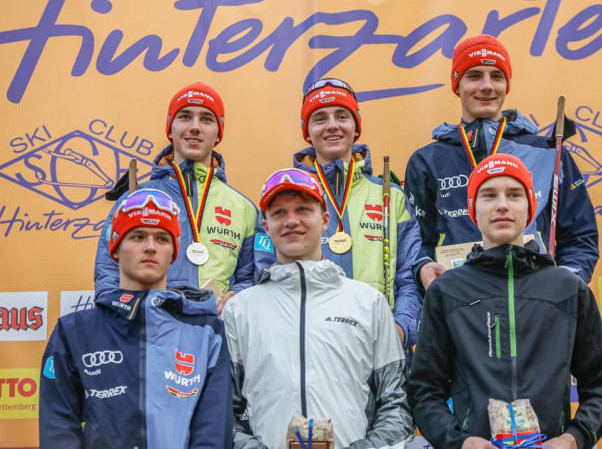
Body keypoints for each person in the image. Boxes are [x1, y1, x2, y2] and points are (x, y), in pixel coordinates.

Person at [408, 154, 602, 449]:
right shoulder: (447, 291)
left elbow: (601, 385)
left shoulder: (568, 288)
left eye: (514, 194)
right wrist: (460, 443)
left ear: (530, 207)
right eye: (489, 195)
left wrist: (574, 438)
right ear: (474, 210)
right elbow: (424, 391)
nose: (502, 204)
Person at [224, 168, 413, 449]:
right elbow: (224, 411)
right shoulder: (240, 309)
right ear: (265, 224)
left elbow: (397, 406)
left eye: (303, 209)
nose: (291, 221)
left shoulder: (368, 302)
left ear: (325, 220)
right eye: (278, 213)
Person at [40, 189, 232, 448]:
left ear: (173, 253)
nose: (151, 247)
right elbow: (58, 429)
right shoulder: (73, 331)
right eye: (138, 236)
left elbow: (213, 432)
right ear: (116, 249)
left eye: (162, 239)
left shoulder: (207, 331)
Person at [405, 35, 599, 289]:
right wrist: (422, 266)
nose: (487, 86)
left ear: (507, 85)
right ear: (457, 85)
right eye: (474, 76)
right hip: (460, 301)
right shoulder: (427, 161)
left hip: (536, 297)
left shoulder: (550, 153)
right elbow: (414, 239)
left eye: (496, 76)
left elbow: (580, 236)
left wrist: (568, 278)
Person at [254, 78, 423, 349]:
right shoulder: (283, 197)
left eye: (342, 116)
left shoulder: (390, 196)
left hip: (376, 342)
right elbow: (264, 272)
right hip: (307, 345)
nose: (332, 125)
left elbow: (409, 275)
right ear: (307, 131)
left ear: (356, 126)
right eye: (320, 118)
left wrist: (401, 328)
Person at [95, 82, 259, 312]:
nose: (195, 127)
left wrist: (237, 299)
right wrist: (129, 316)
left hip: (214, 332)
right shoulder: (136, 199)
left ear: (218, 134)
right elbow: (108, 275)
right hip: (150, 332)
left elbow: (251, 277)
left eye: (206, 119)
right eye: (185, 116)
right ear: (170, 129)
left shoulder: (243, 208)